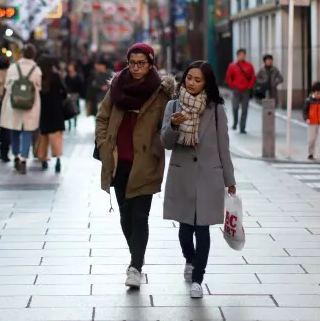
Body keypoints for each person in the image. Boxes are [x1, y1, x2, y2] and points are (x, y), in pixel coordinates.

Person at [95, 43, 176, 289]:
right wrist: (103, 144)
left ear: (151, 64)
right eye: (132, 63)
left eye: (142, 63)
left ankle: (135, 266)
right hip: (119, 161)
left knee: (140, 216)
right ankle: (136, 258)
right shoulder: (117, 86)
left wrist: (168, 132)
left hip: (146, 162)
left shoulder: (162, 93)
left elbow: (167, 128)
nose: (136, 68)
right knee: (125, 214)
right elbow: (102, 116)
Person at [161, 61, 236, 299]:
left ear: (207, 83)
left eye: (198, 79)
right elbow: (165, 142)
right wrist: (173, 124)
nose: (191, 83)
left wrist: (229, 179)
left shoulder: (216, 109)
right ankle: (190, 260)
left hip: (208, 177)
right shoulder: (173, 105)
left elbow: (224, 147)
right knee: (185, 231)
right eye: (189, 78)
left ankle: (198, 279)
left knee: (202, 231)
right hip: (182, 175)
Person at [0, 44, 42, 175]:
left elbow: (7, 85)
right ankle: (24, 159)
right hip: (31, 104)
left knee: (15, 129)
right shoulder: (36, 70)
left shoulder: (13, 67)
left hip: (14, 104)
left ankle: (15, 156)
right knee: (27, 131)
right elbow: (39, 87)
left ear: (22, 54)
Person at [38, 56, 67, 173]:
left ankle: (43, 159)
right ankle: (58, 160)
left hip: (43, 110)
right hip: (56, 109)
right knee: (56, 136)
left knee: (43, 136)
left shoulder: (40, 76)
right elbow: (64, 91)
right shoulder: (56, 76)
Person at [225, 49, 255, 133]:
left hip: (246, 90)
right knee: (235, 107)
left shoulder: (249, 66)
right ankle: (235, 122)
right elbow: (228, 77)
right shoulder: (232, 66)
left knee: (244, 109)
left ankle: (242, 127)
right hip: (236, 90)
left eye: (243, 55)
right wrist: (232, 85)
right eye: (240, 55)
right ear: (237, 56)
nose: (242, 56)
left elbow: (253, 77)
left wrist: (250, 86)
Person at [64, 63, 84, 131]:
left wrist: (80, 93)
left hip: (76, 94)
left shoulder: (77, 76)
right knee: (69, 108)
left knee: (75, 108)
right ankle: (69, 122)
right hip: (69, 94)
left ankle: (75, 122)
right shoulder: (66, 76)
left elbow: (81, 85)